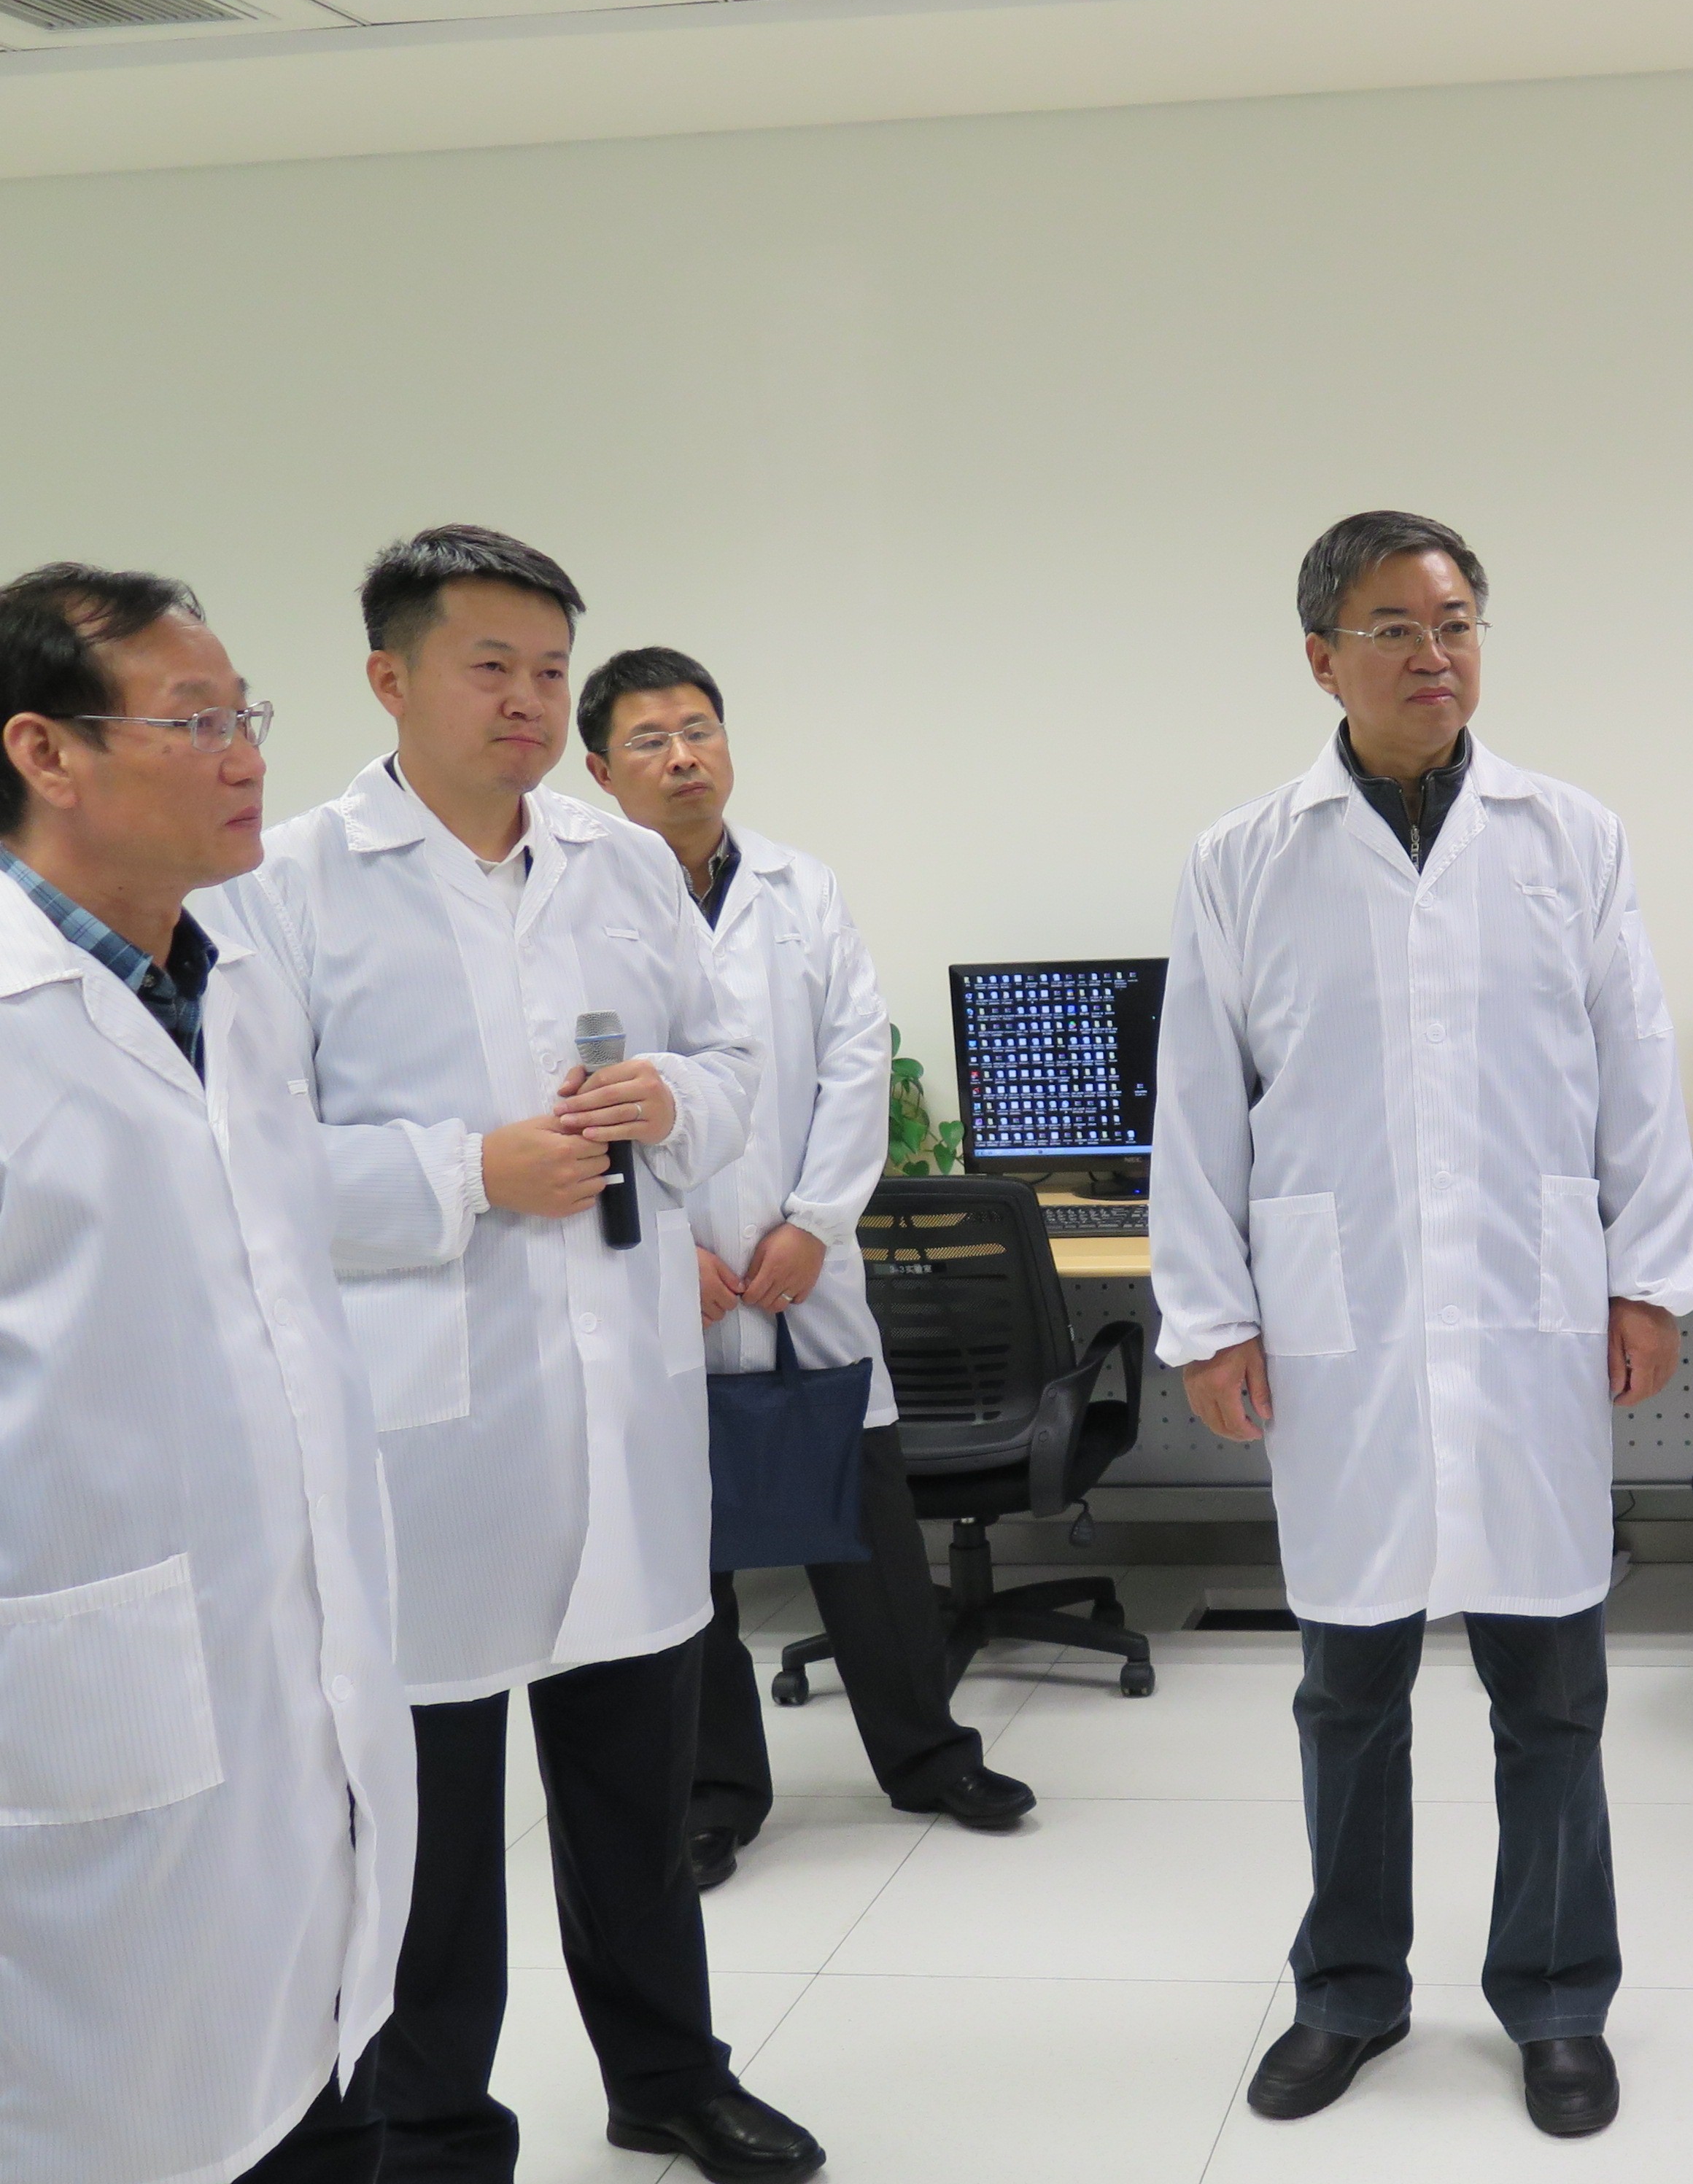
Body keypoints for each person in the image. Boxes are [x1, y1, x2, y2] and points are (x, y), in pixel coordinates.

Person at [212, 529, 824, 2183]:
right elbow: (243, 1156)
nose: (530, 703)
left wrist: (671, 1102)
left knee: (638, 1791)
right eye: (490, 667)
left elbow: (724, 1061)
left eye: (551, 671)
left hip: (621, 1404)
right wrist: (464, 1172)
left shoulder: (617, 861)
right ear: (388, 677)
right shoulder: (287, 883)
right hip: (427, 1433)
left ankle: (670, 2076)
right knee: (429, 1832)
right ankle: (432, 2127)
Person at [1150, 511, 1693, 2141]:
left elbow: (1634, 1067)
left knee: (1553, 1691)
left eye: (1454, 622)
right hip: (1348, 1335)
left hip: (1530, 1320)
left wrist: (1645, 1275)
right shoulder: (1244, 858)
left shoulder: (1568, 836)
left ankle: (1557, 1998)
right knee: (1349, 1695)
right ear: (1321, 658)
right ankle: (1348, 1991)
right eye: (1391, 627)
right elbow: (1198, 1102)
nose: (1432, 654)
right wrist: (1211, 1315)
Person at [0, 564, 414, 2184]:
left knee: (306, 2083)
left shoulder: (231, 990)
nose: (246, 755)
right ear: (45, 752)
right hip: (83, 1719)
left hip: (286, 1707)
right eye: (196, 722)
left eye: (245, 716)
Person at [576, 644, 1036, 1886]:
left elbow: (854, 1061)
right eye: (650, 740)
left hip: (803, 1269)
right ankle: (714, 1793)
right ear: (600, 770)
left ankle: (929, 1756)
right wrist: (666, 1252)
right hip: (658, 1278)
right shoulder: (578, 907)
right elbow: (574, 1090)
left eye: (701, 730)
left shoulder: (801, 888)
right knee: (691, 1560)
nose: (684, 757)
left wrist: (815, 1225)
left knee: (867, 1531)